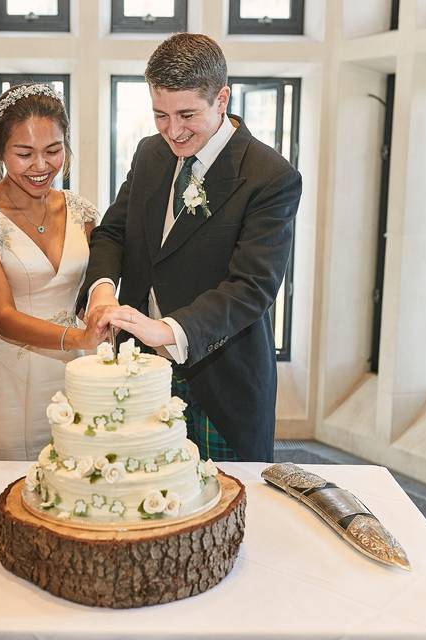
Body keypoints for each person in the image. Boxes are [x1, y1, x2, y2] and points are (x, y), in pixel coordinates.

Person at [80, 34, 302, 463]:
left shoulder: (270, 177)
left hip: (222, 380)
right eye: (160, 115)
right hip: (139, 371)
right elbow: (112, 233)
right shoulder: (150, 153)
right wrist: (102, 291)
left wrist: (167, 329)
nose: (172, 131)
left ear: (222, 99)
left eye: (186, 114)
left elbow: (251, 288)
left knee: (222, 515)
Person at [0, 84, 104, 460]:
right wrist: (80, 338)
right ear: (0, 151)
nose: (41, 166)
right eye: (24, 154)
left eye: (53, 150)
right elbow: (2, 316)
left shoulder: (82, 211)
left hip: (76, 378)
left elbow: (94, 287)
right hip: (9, 385)